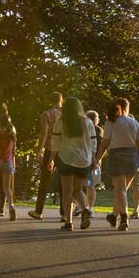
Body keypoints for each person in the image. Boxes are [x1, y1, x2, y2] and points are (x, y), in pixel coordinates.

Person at [94, 98, 139, 231]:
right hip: (132, 157)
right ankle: (113, 215)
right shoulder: (133, 122)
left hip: (116, 156)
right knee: (122, 191)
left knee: (120, 191)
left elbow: (105, 143)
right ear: (125, 108)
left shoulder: (111, 122)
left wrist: (98, 158)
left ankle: (124, 218)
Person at [50, 97, 96, 231]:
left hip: (66, 159)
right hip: (84, 161)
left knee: (67, 191)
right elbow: (94, 142)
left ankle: (69, 222)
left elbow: (55, 143)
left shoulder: (61, 121)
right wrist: (93, 159)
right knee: (77, 190)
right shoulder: (88, 122)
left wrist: (51, 159)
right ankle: (85, 210)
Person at [29, 91, 64, 221]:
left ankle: (38, 211)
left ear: (51, 101)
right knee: (64, 182)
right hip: (65, 150)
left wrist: (39, 151)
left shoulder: (47, 114)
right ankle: (64, 214)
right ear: (62, 100)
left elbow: (43, 133)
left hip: (50, 148)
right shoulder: (66, 114)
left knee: (44, 181)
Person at [85, 111, 104, 216]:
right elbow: (101, 146)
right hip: (95, 161)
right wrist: (98, 159)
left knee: (88, 185)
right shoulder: (99, 130)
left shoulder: (85, 129)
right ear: (94, 119)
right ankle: (89, 207)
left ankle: (84, 206)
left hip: (86, 160)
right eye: (97, 118)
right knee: (91, 185)